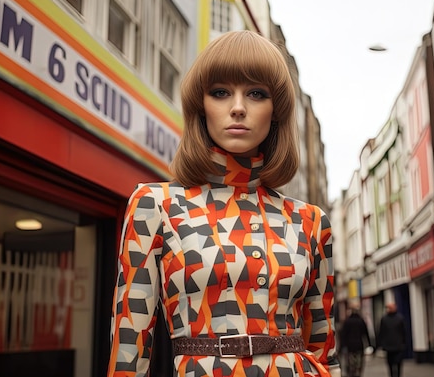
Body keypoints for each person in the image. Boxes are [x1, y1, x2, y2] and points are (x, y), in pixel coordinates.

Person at [107, 30, 340, 377]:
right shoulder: (156, 206)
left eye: (256, 93)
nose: (238, 107)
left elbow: (324, 353)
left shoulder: (311, 222)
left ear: (276, 111)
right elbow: (128, 349)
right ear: (201, 106)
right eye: (220, 92)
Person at [338, 304, 371, 377]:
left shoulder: (347, 322)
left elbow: (343, 335)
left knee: (350, 361)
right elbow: (365, 334)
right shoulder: (361, 321)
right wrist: (369, 344)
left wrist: (341, 347)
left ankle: (352, 372)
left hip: (349, 346)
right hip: (359, 345)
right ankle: (358, 372)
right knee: (359, 361)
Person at [377, 302, 407, 377]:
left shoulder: (399, 318)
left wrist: (403, 343)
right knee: (391, 364)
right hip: (389, 346)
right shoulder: (384, 319)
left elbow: (404, 331)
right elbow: (381, 332)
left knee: (397, 364)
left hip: (397, 346)